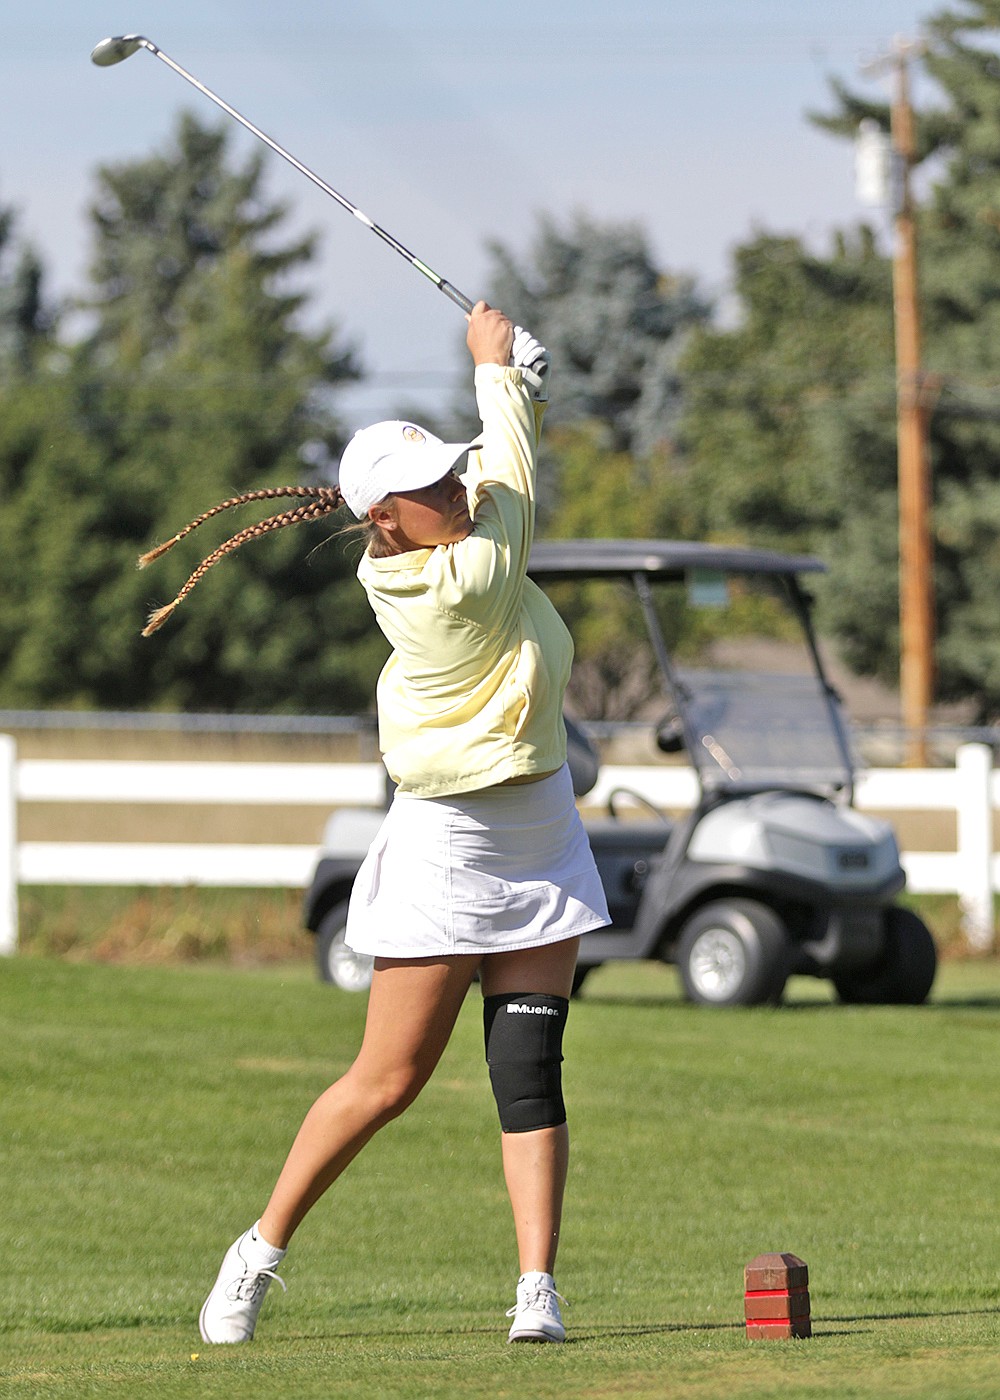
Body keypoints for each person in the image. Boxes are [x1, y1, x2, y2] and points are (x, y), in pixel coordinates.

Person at [169, 302, 609, 1346]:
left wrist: (517, 388)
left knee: (529, 1065)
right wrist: (497, 374)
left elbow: (500, 470)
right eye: (429, 490)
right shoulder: (445, 579)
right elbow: (516, 489)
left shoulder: (465, 527)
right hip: (447, 844)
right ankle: (258, 1250)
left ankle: (535, 1288)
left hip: (539, 825)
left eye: (450, 476)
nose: (454, 489)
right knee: (387, 1079)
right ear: (384, 519)